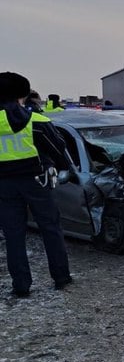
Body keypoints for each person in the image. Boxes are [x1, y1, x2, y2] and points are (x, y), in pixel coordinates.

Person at [0, 72, 74, 297]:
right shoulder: (37, 121)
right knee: (50, 228)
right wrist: (58, 167)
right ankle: (61, 278)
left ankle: (20, 285)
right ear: (23, 94)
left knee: (13, 235)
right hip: (36, 182)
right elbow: (59, 150)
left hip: (4, 186)